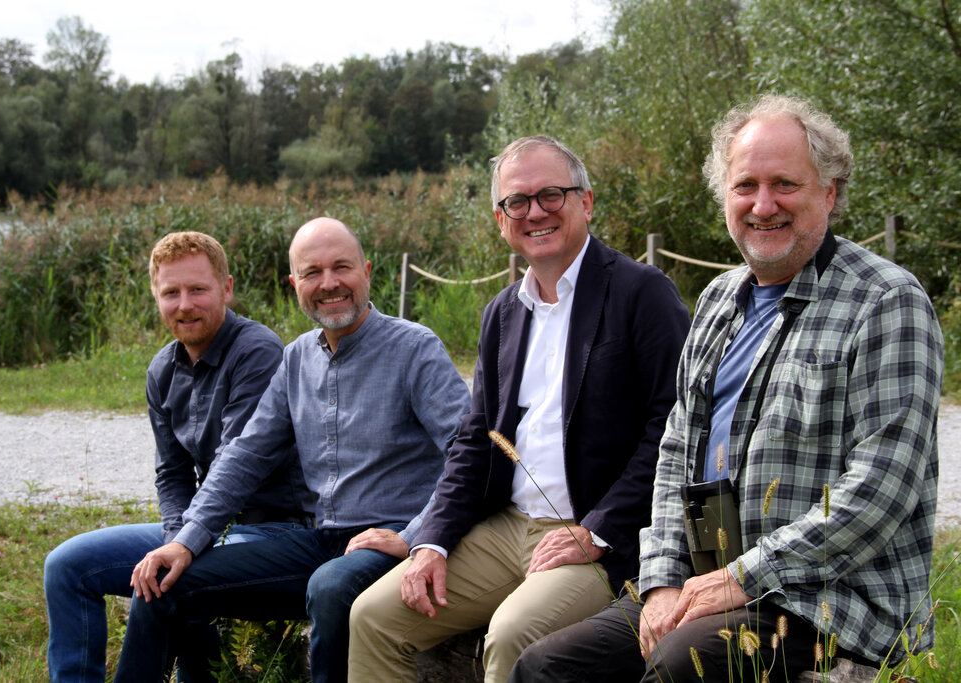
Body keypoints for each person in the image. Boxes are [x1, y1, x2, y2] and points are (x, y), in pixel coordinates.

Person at [509, 95, 944, 683]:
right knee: (545, 666)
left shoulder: (887, 301)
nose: (763, 205)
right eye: (746, 186)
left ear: (830, 192)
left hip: (824, 601)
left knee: (675, 667)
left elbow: (881, 489)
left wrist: (743, 577)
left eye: (785, 183)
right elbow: (674, 453)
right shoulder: (718, 301)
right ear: (725, 197)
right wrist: (662, 580)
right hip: (705, 583)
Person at [348, 136, 690, 682]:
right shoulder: (502, 313)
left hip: (598, 538)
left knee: (511, 636)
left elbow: (672, 429)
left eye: (551, 194)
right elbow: (474, 441)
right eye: (517, 201)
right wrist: (430, 539)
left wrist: (597, 529)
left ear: (587, 201)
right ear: (500, 218)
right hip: (504, 528)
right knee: (372, 615)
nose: (535, 212)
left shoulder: (641, 293)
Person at [113, 217, 471, 683]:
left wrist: (413, 535)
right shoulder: (296, 358)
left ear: (366, 271)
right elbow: (245, 455)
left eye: (341, 267)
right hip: (319, 542)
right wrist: (184, 539)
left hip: (392, 540)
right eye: (312, 273)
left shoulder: (414, 348)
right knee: (163, 585)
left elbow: (467, 456)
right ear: (294, 284)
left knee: (330, 586)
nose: (329, 284)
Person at [44, 231, 310, 683]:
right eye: (171, 292)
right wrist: (175, 536)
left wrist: (183, 544)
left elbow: (236, 462)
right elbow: (171, 474)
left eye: (198, 290)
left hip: (274, 528)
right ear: (156, 296)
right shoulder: (161, 370)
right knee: (67, 566)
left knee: (164, 581)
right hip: (206, 529)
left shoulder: (256, 350)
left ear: (226, 289)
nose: (185, 304)